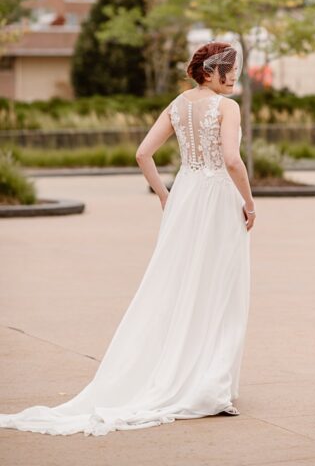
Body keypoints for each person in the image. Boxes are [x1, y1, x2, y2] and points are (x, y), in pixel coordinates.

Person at [0, 42, 255, 436]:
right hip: (219, 199)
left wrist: (165, 195)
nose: (235, 75)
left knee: (177, 284)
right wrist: (249, 203)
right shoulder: (227, 108)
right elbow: (233, 161)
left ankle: (183, 374)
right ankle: (209, 384)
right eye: (230, 69)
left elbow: (142, 154)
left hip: (186, 198)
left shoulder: (177, 105)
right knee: (217, 286)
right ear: (210, 72)